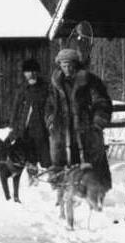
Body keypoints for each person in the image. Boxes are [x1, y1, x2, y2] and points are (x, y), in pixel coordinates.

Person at [46, 48, 112, 188]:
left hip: (86, 129)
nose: (67, 69)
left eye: (70, 65)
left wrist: (97, 123)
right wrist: (50, 119)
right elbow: (50, 104)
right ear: (60, 66)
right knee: (64, 163)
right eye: (64, 65)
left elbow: (102, 102)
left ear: (76, 64)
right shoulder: (56, 83)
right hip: (63, 130)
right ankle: (65, 192)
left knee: (91, 162)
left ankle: (96, 193)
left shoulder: (89, 80)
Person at [6, 58, 51, 169]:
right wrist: (12, 125)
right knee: (29, 156)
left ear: (38, 72)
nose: (31, 74)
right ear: (24, 73)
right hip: (25, 128)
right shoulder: (22, 88)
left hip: (43, 128)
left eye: (33, 71)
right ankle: (33, 178)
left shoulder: (46, 87)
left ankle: (51, 178)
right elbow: (16, 107)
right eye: (27, 72)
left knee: (46, 158)